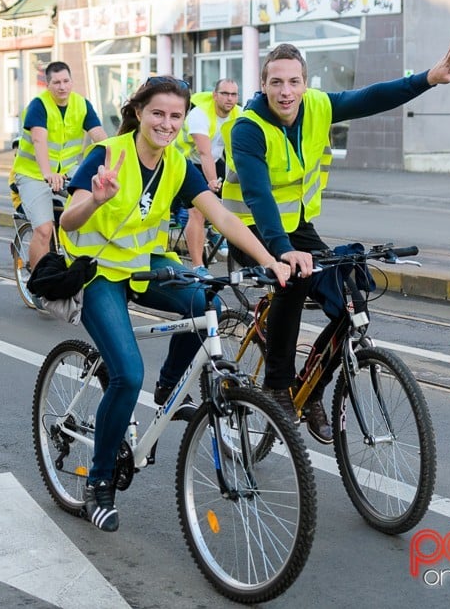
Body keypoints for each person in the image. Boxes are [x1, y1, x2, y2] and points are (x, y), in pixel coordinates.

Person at [57, 76, 291, 532]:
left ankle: (169, 388)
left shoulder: (178, 166)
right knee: (126, 375)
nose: (166, 123)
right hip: (98, 270)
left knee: (211, 306)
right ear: (140, 112)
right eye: (158, 113)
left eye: (175, 116)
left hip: (145, 265)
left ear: (183, 121)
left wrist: (271, 261)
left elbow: (223, 215)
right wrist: (96, 198)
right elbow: (68, 220)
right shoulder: (107, 155)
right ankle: (99, 483)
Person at [224, 38, 450, 444]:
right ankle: (277, 386)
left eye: (294, 82)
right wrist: (281, 253)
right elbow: (259, 198)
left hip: (297, 227)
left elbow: (372, 96)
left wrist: (429, 79)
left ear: (304, 82)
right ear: (263, 84)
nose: (286, 92)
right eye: (276, 82)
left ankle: (312, 389)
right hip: (251, 230)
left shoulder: (317, 105)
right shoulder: (247, 127)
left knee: (350, 291)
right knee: (291, 280)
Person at [13, 61, 107, 273]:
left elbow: (99, 137)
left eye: (66, 81)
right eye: (56, 82)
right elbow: (39, 140)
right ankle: (39, 282)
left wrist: (113, 161)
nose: (62, 87)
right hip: (33, 174)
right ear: (48, 85)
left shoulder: (82, 104)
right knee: (45, 229)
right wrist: (47, 173)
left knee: (96, 208)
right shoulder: (39, 105)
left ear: (72, 82)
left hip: (69, 171)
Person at [178, 78, 242, 277]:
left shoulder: (239, 113)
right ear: (215, 95)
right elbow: (204, 153)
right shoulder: (200, 114)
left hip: (215, 160)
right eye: (224, 94)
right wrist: (212, 183)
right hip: (187, 162)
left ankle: (217, 233)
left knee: (238, 202)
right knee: (198, 210)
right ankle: (198, 267)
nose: (229, 99)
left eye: (233, 94)